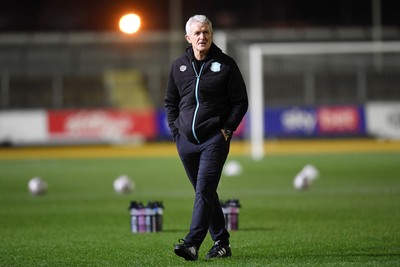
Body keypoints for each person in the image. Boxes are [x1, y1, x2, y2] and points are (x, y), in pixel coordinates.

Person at [164, 14, 248, 261]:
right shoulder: (178, 66)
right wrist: (176, 132)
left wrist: (227, 129)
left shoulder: (226, 64)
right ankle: (222, 243)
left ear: (212, 35)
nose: (203, 37)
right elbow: (170, 101)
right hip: (186, 142)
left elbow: (240, 101)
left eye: (206, 33)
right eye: (198, 33)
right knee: (206, 193)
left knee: (203, 190)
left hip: (214, 139)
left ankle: (192, 244)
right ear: (188, 38)